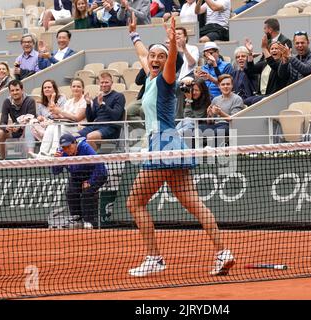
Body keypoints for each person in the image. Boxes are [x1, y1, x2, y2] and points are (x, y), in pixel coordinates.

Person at [127, 13, 235, 277]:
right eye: (152, 56)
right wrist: (134, 34)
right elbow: (142, 53)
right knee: (193, 202)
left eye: (160, 56)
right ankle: (223, 252)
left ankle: (154, 258)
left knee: (134, 203)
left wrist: (172, 41)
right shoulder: (150, 76)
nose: (153, 59)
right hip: (173, 143)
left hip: (162, 144)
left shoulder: (166, 80)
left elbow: (170, 58)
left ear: (168, 62)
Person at [52, 133, 108, 228]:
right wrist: (56, 162)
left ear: (75, 143)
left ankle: (88, 222)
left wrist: (90, 182)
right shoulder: (62, 153)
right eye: (64, 147)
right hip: (77, 176)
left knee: (87, 193)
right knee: (71, 193)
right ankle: (76, 219)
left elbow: (100, 165)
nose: (66, 149)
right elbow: (56, 172)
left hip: (96, 174)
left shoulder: (85, 148)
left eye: (68, 146)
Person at [36, 78, 87, 157]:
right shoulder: (69, 101)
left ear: (83, 88)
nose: (76, 88)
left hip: (79, 128)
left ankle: (54, 152)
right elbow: (63, 117)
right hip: (67, 125)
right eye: (74, 86)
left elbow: (77, 118)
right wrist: (56, 114)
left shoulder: (84, 101)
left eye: (78, 86)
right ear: (70, 88)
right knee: (52, 126)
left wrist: (59, 111)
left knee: (59, 127)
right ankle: (42, 153)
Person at [78, 71, 126, 150]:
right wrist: (88, 104)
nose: (104, 85)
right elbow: (90, 119)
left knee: (90, 137)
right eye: (102, 82)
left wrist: (102, 105)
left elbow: (116, 115)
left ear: (111, 83)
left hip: (110, 127)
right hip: (96, 126)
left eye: (106, 82)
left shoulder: (118, 96)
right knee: (73, 137)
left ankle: (94, 161)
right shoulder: (97, 98)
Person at [199, 74, 244, 145]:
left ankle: (210, 150)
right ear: (219, 86)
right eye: (223, 84)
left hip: (229, 126)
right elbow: (210, 122)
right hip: (216, 124)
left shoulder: (237, 99)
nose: (225, 86)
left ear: (232, 85)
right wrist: (210, 115)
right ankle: (194, 154)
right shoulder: (215, 99)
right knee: (197, 129)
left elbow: (234, 119)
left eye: (228, 84)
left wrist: (220, 113)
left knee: (218, 131)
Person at [0, 80, 37, 160]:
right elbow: (2, 122)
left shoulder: (30, 101)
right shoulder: (7, 102)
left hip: (27, 130)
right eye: (12, 90)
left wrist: (19, 126)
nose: (15, 92)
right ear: (9, 92)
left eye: (17, 90)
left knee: (28, 127)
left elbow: (30, 119)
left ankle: (28, 158)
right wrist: (6, 127)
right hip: (14, 130)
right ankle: (3, 160)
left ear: (22, 90)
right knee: (0, 133)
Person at [243, 38, 288, 106]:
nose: (274, 50)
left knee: (254, 101)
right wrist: (250, 53)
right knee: (245, 101)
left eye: (276, 48)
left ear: (281, 51)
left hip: (274, 96)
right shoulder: (264, 63)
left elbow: (273, 64)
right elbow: (250, 70)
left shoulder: (282, 64)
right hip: (261, 95)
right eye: (272, 49)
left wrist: (264, 48)